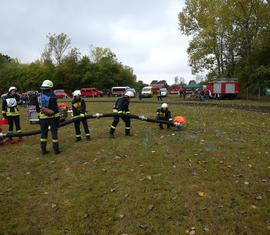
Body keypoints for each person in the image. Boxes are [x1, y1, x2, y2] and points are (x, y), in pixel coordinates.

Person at [36, 80, 61, 155]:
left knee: (43, 134)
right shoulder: (52, 96)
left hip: (42, 119)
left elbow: (37, 109)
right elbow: (55, 110)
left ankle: (43, 150)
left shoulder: (39, 96)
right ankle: (56, 150)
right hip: (52, 118)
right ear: (50, 87)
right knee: (54, 134)